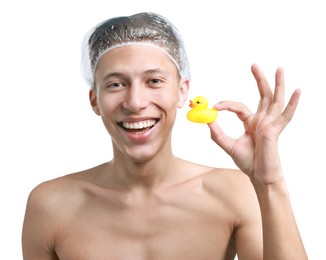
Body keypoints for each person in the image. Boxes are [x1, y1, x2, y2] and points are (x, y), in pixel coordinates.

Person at [22, 12, 307, 259]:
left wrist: (269, 184)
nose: (135, 102)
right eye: (116, 84)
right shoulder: (50, 207)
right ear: (94, 100)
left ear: (182, 91)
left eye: (154, 81)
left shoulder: (234, 193)